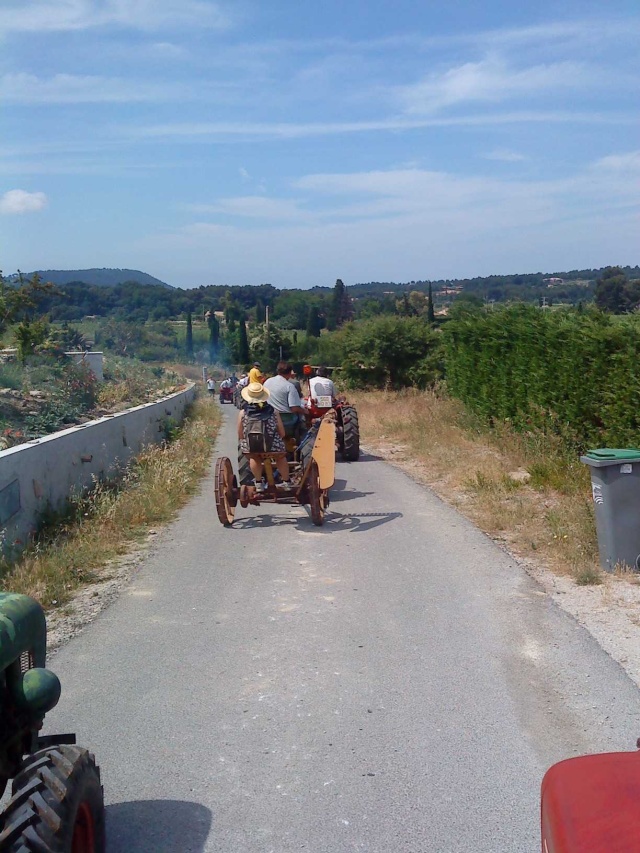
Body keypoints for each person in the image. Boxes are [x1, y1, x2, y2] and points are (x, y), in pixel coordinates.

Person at [238, 382, 290, 489]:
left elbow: (240, 434)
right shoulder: (273, 412)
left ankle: (258, 483)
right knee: (280, 456)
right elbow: (282, 433)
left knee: (254, 456)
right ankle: (286, 481)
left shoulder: (243, 413)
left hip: (252, 446)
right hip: (272, 446)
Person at [263, 362, 306, 438]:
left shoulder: (267, 382)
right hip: (285, 420)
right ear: (290, 373)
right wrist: (305, 411)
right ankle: (299, 440)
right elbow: (294, 408)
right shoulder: (289, 386)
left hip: (268, 417)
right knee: (302, 419)